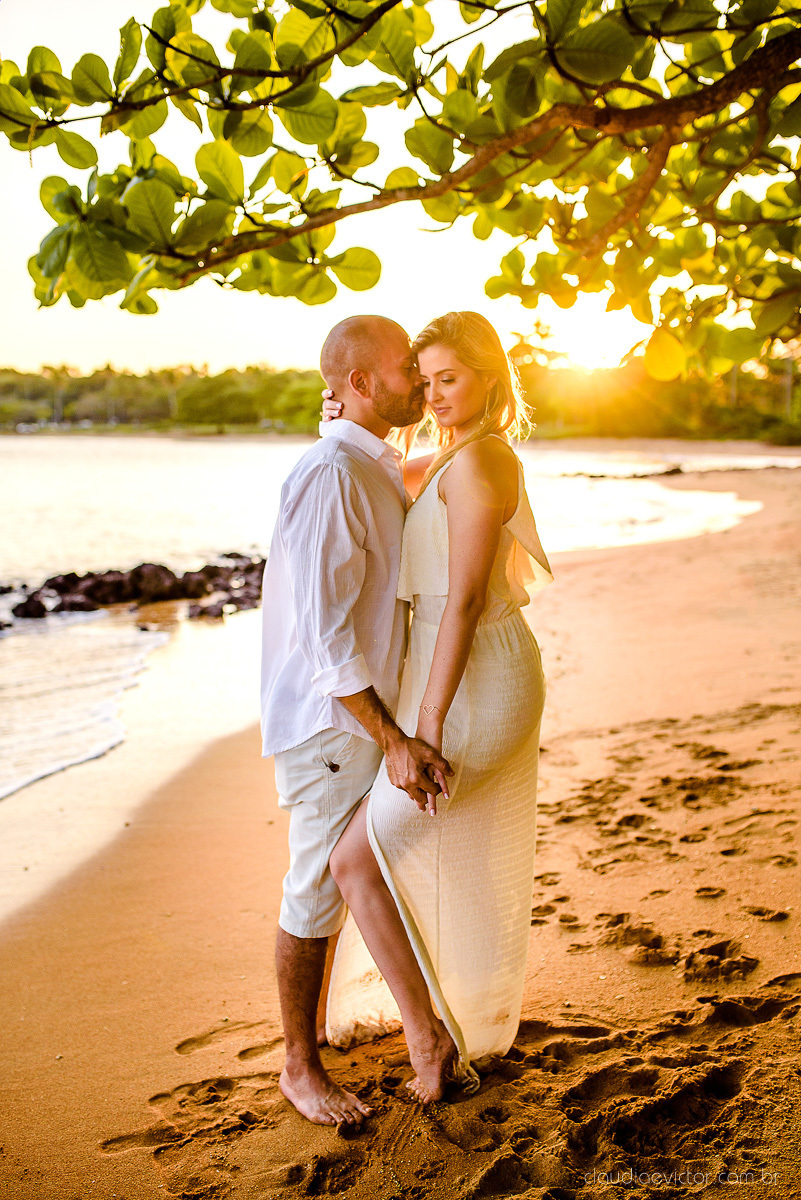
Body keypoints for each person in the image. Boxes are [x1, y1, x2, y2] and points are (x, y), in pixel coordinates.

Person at [321, 311, 554, 1099]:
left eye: (447, 379)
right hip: (450, 678)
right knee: (435, 854)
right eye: (422, 382)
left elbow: (457, 605)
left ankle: (434, 1046)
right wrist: (342, 418)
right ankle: (467, 1018)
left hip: (476, 681)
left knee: (357, 859)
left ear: (487, 375)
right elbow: (387, 474)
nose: (432, 395)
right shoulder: (450, 456)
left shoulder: (484, 461)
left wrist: (418, 734)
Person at [260, 314, 460, 1128]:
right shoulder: (333, 472)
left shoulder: (367, 464)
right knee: (313, 891)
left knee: (352, 876)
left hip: (360, 722)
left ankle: (421, 1030)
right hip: (333, 727)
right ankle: (298, 1067)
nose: (418, 379)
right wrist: (392, 737)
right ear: (361, 384)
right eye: (406, 368)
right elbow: (324, 637)